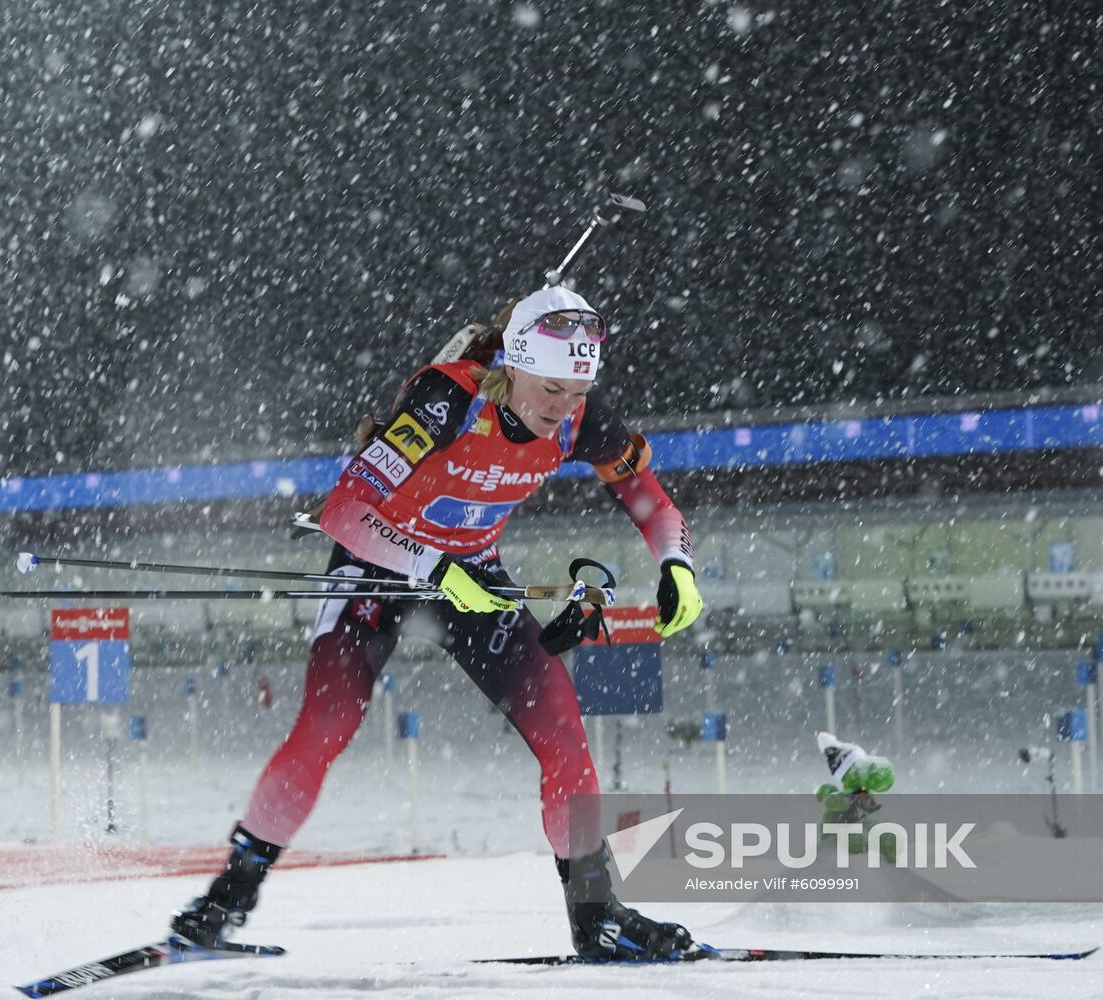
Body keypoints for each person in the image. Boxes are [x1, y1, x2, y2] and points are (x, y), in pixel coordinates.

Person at [172, 286, 704, 959]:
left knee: (562, 729)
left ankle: (596, 916)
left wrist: (675, 563)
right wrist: (430, 566)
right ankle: (224, 903)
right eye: (549, 389)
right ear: (512, 363)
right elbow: (344, 512)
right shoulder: (444, 399)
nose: (563, 409)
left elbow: (646, 498)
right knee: (327, 723)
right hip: (379, 565)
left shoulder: (580, 418)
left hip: (469, 575)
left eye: (578, 391)